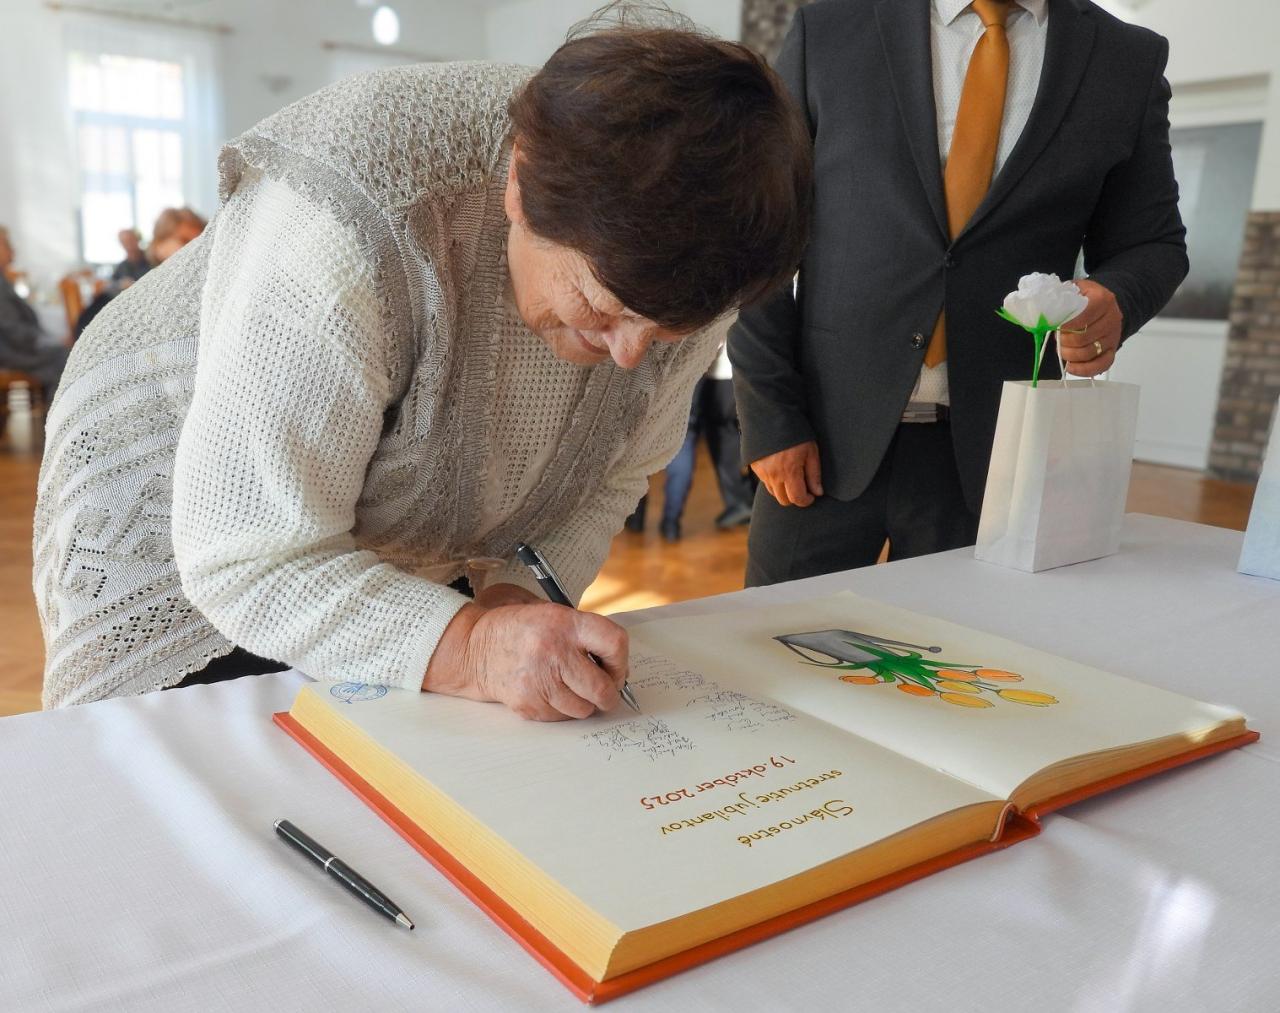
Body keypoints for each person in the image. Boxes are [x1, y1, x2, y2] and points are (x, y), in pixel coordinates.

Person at [34, 19, 812, 717]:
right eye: (602, 309)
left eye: (668, 332)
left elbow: (611, 471)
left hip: (393, 505)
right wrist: (470, 647)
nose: (632, 356)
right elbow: (248, 554)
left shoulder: (700, 250)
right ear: (519, 185)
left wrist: (515, 598)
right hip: (174, 490)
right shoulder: (348, 219)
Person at [730, 0, 1188, 586]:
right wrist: (771, 418)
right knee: (779, 638)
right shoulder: (830, 30)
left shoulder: (1127, 59)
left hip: (996, 459)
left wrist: (1115, 296)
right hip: (818, 441)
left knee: (955, 644)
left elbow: (1153, 243)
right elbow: (756, 232)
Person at [624, 317, 755, 541]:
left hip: (648, 365)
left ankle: (636, 518)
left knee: (639, 441)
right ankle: (671, 524)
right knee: (685, 438)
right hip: (694, 368)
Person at [0, 226, 68, 400]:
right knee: (65, 358)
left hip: (16, 347)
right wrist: (47, 341)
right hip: (11, 352)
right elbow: (13, 329)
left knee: (63, 353)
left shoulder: (3, 280)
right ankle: (57, 414)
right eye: (6, 244)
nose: (12, 249)